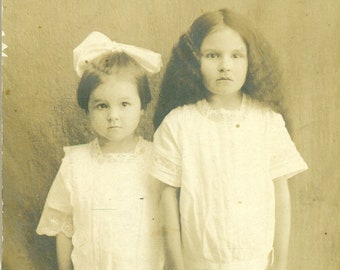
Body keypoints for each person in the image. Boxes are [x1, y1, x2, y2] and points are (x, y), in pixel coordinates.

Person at [150, 9, 308, 270]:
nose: (225, 65)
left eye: (236, 55)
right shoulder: (179, 124)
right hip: (196, 262)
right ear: (193, 60)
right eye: (212, 55)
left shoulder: (267, 121)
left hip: (256, 262)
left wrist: (279, 263)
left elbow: (281, 196)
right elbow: (168, 197)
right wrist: (176, 265)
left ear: (250, 61)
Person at [36, 31, 164, 270]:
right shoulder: (76, 163)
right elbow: (64, 224)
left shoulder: (157, 159)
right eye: (102, 105)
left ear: (142, 107)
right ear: (88, 109)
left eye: (125, 104)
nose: (113, 116)